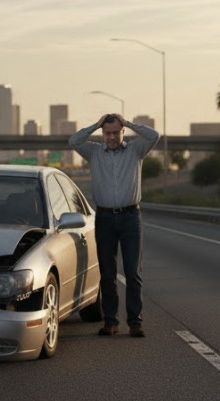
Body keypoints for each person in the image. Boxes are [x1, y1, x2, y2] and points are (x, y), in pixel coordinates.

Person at [69, 113, 160, 337]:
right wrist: (95, 124)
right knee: (107, 273)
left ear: (122, 132)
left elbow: (154, 135)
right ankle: (111, 321)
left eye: (115, 132)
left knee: (132, 272)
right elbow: (74, 141)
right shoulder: (93, 152)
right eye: (107, 132)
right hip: (105, 218)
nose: (111, 137)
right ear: (103, 133)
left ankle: (135, 321)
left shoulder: (136, 150)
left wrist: (127, 122)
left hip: (131, 218)